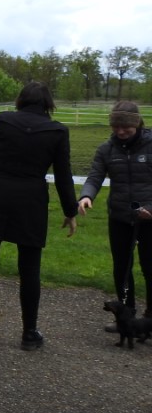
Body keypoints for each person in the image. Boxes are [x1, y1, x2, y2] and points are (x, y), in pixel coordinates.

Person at [0, 82, 78, 357]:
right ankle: (29, 333)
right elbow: (63, 175)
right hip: (31, 200)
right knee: (29, 268)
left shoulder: (4, 120)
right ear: (48, 103)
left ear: (20, 100)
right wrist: (70, 211)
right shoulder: (58, 131)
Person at [78, 101, 152, 329]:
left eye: (125, 127)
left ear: (137, 124)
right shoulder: (107, 149)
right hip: (120, 216)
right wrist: (86, 196)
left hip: (149, 218)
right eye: (115, 126)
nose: (120, 131)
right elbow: (95, 176)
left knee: (150, 266)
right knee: (122, 267)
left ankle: (150, 319)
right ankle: (126, 317)